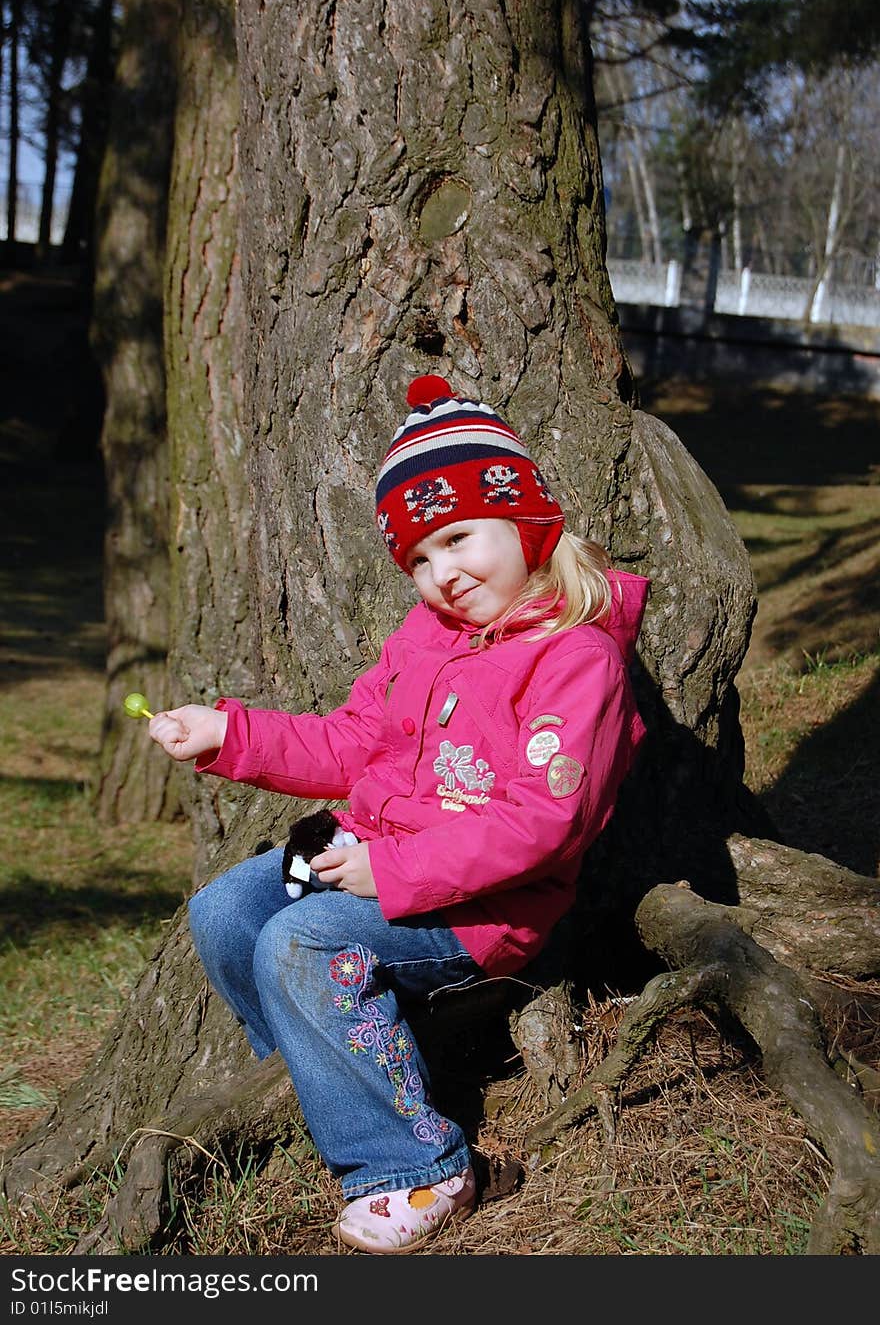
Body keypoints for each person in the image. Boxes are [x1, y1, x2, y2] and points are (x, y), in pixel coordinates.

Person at [147, 373, 650, 1254]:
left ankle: (420, 1165)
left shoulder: (574, 660)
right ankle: (337, 1072)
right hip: (371, 851)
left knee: (299, 941)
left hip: (480, 910)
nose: (443, 574)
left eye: (460, 540)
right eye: (419, 559)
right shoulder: (424, 638)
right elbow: (349, 743)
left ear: (526, 526)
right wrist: (229, 731)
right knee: (226, 909)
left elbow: (545, 824)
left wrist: (394, 872)